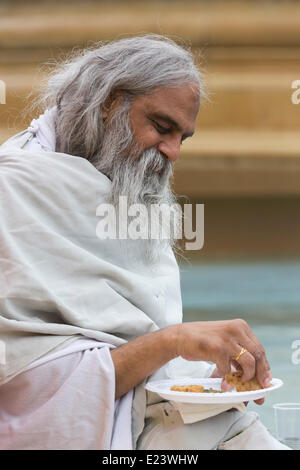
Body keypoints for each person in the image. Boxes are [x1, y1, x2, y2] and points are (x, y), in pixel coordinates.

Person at [0, 35, 290, 450]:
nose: (172, 152)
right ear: (108, 104)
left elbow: (142, 351)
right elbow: (24, 388)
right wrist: (175, 342)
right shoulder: (14, 189)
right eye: (161, 127)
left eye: (183, 138)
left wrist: (208, 371)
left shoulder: (126, 190)